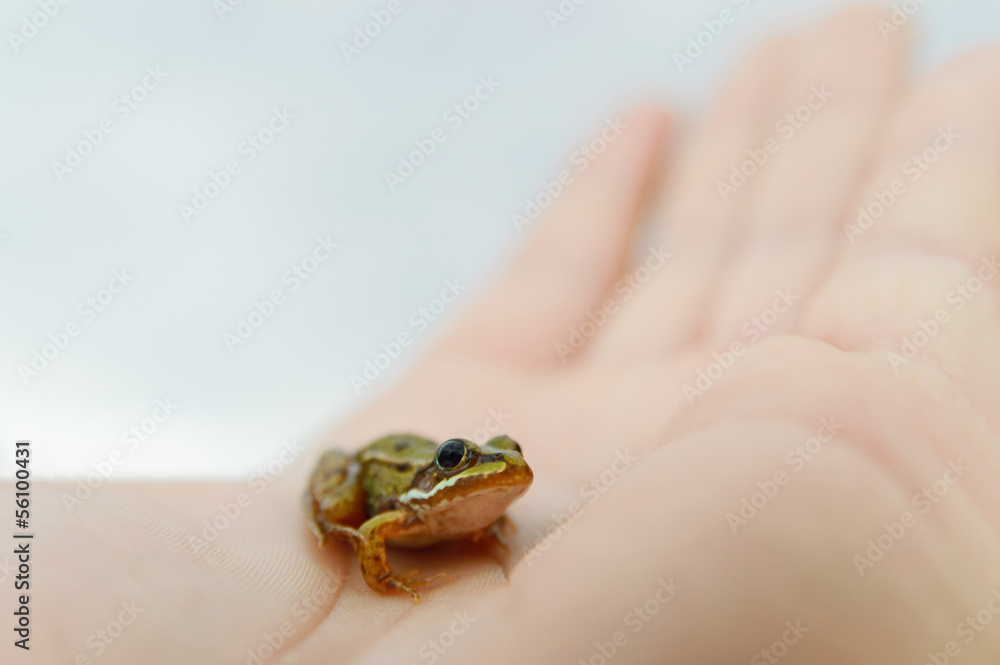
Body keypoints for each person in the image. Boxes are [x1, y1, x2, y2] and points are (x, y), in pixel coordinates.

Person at [28, 6, 1000, 663]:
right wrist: (363, 564)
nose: (497, 476)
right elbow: (373, 530)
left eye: (499, 464)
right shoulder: (401, 509)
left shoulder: (479, 509)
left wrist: (484, 518)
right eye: (475, 464)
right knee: (334, 487)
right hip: (375, 461)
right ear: (445, 474)